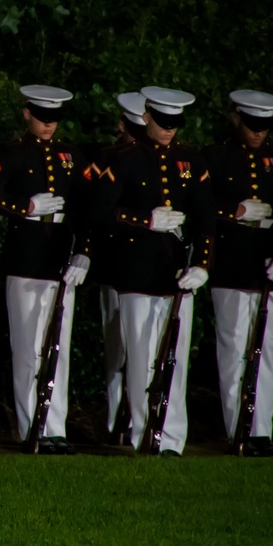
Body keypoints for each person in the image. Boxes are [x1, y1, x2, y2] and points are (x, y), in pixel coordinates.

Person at [93, 86, 215, 456]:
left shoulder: (191, 161)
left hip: (176, 271)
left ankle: (172, 439)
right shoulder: (126, 159)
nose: (168, 130)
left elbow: (206, 218)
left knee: (175, 356)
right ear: (146, 117)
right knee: (142, 356)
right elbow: (101, 212)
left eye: (175, 123)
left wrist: (202, 264)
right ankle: (144, 432)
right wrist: (144, 220)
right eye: (162, 122)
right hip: (136, 269)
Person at [0, 85, 92, 454]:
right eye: (42, 118)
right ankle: (34, 426)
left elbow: (87, 208)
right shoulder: (13, 154)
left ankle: (55, 425)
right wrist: (24, 207)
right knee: (28, 347)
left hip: (61, 257)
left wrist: (84, 253)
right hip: (26, 258)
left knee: (57, 343)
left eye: (54, 118)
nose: (49, 125)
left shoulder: (72, 156)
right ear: (27, 114)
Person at [204, 90, 273, 456]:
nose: (259, 134)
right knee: (234, 346)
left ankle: (261, 431)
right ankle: (238, 427)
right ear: (237, 119)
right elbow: (204, 205)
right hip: (232, 261)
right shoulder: (217, 157)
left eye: (265, 127)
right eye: (252, 125)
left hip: (266, 262)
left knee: (265, 348)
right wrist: (235, 212)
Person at [93, 92, 147, 441]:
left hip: (148, 265)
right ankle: (116, 417)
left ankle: (137, 416)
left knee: (143, 345)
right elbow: (101, 212)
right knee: (118, 348)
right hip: (114, 263)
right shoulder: (108, 159)